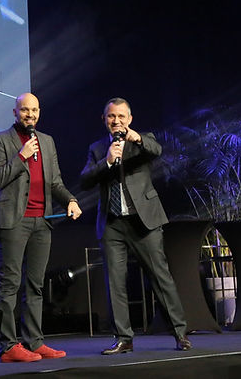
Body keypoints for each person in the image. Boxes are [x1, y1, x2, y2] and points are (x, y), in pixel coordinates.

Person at [80, 97, 192, 354]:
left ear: (129, 119)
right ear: (104, 119)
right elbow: (85, 180)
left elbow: (157, 150)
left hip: (144, 221)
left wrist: (137, 138)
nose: (116, 121)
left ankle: (180, 333)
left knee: (160, 278)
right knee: (115, 283)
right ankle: (124, 338)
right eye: (111, 116)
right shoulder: (97, 148)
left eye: (121, 116)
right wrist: (107, 161)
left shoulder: (142, 140)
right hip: (112, 223)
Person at [0, 93, 82, 363]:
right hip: (14, 221)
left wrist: (71, 200)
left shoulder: (47, 141)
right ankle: (8, 346)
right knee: (9, 285)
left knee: (35, 285)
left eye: (34, 110)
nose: (30, 115)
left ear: (39, 112)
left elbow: (55, 182)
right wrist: (21, 156)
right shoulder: (1, 140)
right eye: (24, 110)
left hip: (42, 221)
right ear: (15, 112)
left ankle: (35, 342)